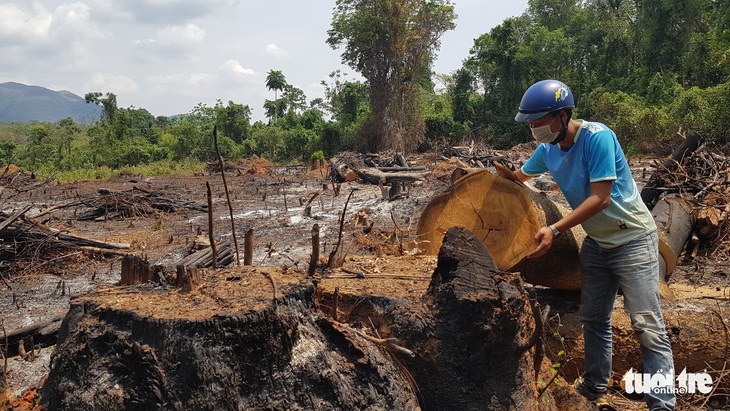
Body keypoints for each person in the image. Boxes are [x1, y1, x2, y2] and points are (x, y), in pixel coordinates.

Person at [512, 79, 676, 411]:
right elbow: (518, 177)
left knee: (647, 324)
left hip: (632, 241)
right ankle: (594, 384)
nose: (534, 129)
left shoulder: (597, 138)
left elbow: (601, 199)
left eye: (538, 121)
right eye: (530, 123)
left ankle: (662, 404)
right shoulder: (548, 150)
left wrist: (555, 229)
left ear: (561, 115)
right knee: (595, 319)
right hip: (598, 244)